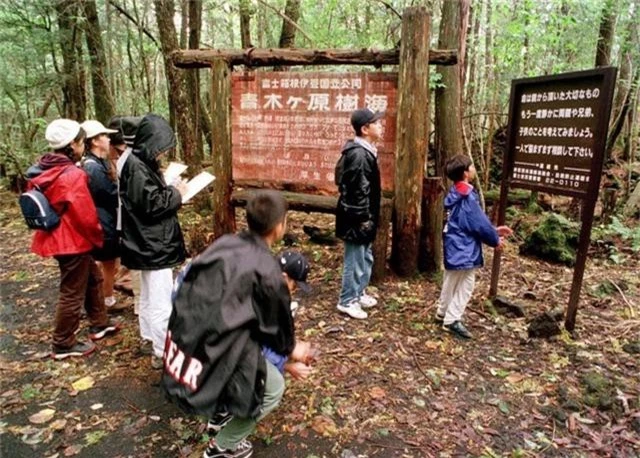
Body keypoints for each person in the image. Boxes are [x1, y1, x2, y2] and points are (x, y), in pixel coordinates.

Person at [162, 191, 315, 458]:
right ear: (280, 225)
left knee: (251, 364)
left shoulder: (225, 244)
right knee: (273, 388)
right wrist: (292, 350)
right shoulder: (268, 271)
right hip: (217, 345)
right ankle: (223, 445)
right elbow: (274, 330)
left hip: (189, 334)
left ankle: (222, 412)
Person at [27, 119, 120, 359]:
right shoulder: (71, 174)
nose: (82, 145)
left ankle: (99, 322)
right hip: (72, 240)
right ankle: (62, 342)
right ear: (73, 144)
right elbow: (85, 216)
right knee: (72, 291)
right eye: (80, 141)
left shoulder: (44, 168)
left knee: (93, 278)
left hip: (58, 237)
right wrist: (98, 235)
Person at [118, 113, 188, 368]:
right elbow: (152, 205)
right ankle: (163, 351)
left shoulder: (138, 162)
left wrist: (165, 185)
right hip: (153, 244)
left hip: (146, 243)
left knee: (149, 295)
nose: (163, 153)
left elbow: (146, 197)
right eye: (161, 148)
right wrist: (176, 193)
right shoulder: (137, 166)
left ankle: (150, 337)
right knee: (160, 301)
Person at [436, 154, 513, 339]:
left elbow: (468, 221)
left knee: (451, 278)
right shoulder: (468, 196)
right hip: (463, 245)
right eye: (471, 167)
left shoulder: (455, 193)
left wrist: (494, 230)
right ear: (465, 173)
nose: (473, 169)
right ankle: (452, 319)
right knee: (467, 283)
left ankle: (442, 312)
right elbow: (477, 223)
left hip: (453, 241)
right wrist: (495, 239)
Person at [335, 107, 384, 320]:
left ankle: (359, 292)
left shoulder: (365, 151)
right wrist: (362, 218)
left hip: (363, 217)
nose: (381, 126)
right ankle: (347, 300)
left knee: (365, 256)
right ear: (365, 129)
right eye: (377, 123)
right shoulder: (358, 155)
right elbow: (356, 190)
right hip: (356, 217)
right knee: (354, 259)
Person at [80, 120, 126, 313]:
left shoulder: (98, 164)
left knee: (108, 262)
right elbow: (108, 195)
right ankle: (103, 302)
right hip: (102, 222)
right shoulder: (92, 167)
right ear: (95, 141)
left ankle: (102, 300)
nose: (109, 139)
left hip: (104, 219)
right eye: (105, 136)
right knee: (107, 263)